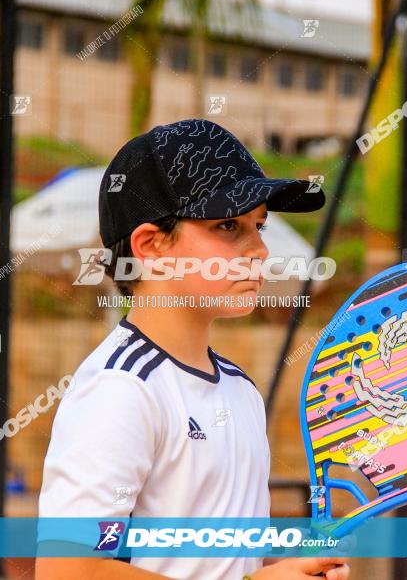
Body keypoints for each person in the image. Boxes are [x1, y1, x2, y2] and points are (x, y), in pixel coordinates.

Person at [35, 119, 351, 580]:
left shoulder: (240, 390)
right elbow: (69, 570)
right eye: (228, 225)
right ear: (151, 246)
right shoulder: (122, 388)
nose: (259, 249)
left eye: (259, 225)